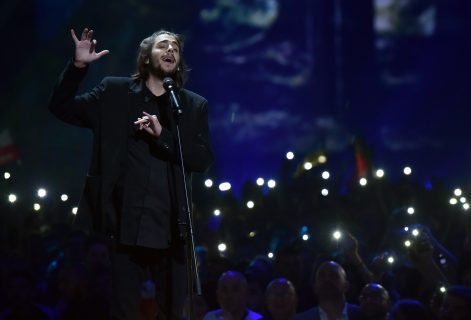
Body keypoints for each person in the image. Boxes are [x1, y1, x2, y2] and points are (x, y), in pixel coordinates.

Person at [48, 27, 214, 320]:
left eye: (175, 48)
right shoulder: (114, 93)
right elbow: (61, 107)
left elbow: (202, 159)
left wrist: (162, 135)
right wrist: (78, 67)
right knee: (124, 312)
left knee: (175, 312)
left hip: (172, 230)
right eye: (163, 45)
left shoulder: (191, 106)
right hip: (124, 225)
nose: (171, 51)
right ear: (146, 56)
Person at [294, 261, 362, 320]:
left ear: (346, 286)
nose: (327, 279)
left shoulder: (363, 315)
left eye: (334, 275)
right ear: (315, 287)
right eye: (322, 276)